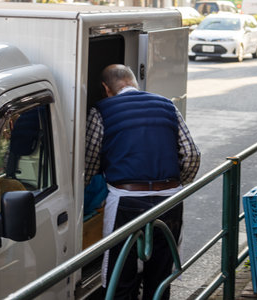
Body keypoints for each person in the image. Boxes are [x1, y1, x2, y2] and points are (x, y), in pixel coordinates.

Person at [85, 64, 201, 299]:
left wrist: (90, 183)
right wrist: (177, 186)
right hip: (169, 199)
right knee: (160, 275)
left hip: (126, 200)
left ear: (106, 88)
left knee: (121, 272)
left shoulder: (101, 110)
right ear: (134, 83)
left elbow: (89, 160)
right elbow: (191, 154)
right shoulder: (166, 104)